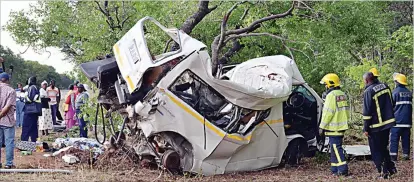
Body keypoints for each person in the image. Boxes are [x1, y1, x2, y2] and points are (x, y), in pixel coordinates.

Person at [363, 71, 397, 179]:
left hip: (376, 126)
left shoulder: (369, 91)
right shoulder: (385, 86)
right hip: (388, 123)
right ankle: (391, 168)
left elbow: (367, 112)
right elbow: (392, 102)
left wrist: (365, 128)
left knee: (376, 150)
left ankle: (383, 172)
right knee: (384, 147)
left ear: (367, 80)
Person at [318, 73, 349, 176]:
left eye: (325, 84)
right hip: (341, 126)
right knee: (334, 148)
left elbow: (327, 113)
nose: (325, 87)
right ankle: (335, 169)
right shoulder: (342, 94)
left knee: (336, 148)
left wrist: (322, 127)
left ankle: (342, 169)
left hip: (334, 127)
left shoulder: (331, 96)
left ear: (330, 84)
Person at [390, 73, 412, 161]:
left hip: (397, 122)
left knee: (394, 140)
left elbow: (390, 107)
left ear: (397, 82)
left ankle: (393, 157)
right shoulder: (409, 93)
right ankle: (406, 155)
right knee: (406, 139)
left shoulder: (394, 93)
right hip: (407, 122)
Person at [0, 73, 17, 168]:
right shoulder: (11, 91)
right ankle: (9, 164)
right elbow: (7, 107)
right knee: (9, 142)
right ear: (8, 80)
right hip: (8, 121)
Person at [22, 76, 40, 142]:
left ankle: (24, 143)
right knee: (33, 127)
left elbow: (30, 99)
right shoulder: (36, 87)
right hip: (34, 111)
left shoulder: (32, 88)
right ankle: (33, 142)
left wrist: (22, 98)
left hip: (30, 110)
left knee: (26, 127)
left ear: (31, 81)